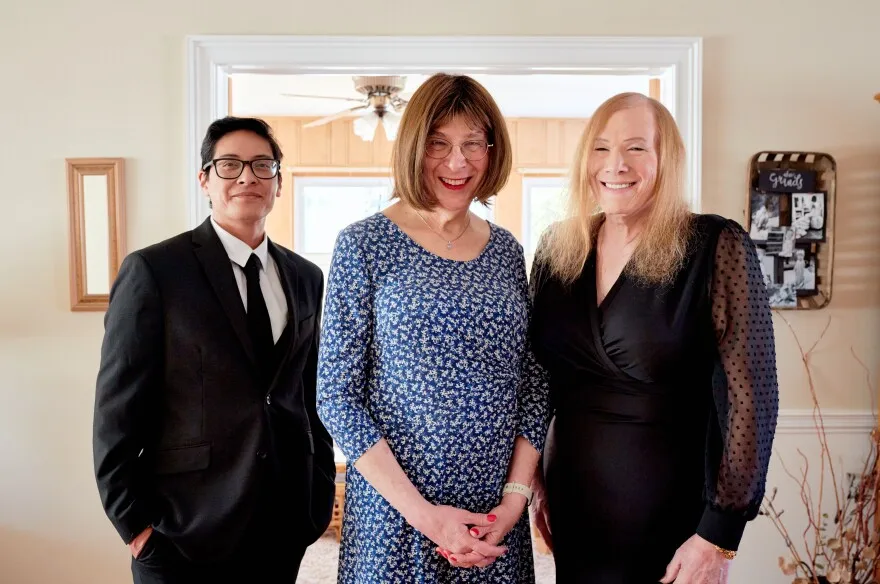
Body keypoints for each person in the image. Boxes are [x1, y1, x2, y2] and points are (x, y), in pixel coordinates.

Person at [528, 93, 779, 584]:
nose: (615, 165)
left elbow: (753, 397)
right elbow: (539, 379)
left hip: (672, 511)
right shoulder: (557, 249)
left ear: (667, 161)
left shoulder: (714, 244)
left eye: (636, 148)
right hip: (574, 500)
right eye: (600, 148)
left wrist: (719, 534)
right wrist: (534, 483)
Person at [317, 73, 550, 583]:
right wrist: (426, 516)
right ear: (413, 147)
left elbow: (534, 383)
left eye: (473, 144)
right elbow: (336, 396)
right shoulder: (363, 245)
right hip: (396, 516)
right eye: (438, 144)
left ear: (492, 151)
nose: (457, 162)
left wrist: (514, 501)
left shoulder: (508, 251)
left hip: (494, 519)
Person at [93, 116, 336, 583]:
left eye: (262, 165)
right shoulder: (155, 270)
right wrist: (134, 523)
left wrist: (317, 497)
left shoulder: (307, 277)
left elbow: (311, 395)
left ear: (278, 184)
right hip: (181, 528)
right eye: (230, 165)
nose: (247, 176)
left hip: (282, 520)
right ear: (205, 179)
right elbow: (116, 409)